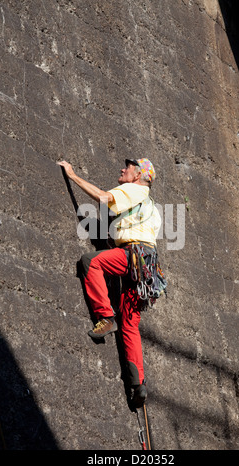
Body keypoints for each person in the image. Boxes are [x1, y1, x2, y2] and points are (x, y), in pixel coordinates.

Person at [57, 158, 162, 408]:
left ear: (138, 175)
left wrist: (72, 175)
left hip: (133, 256)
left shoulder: (134, 189)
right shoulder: (150, 205)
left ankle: (106, 316)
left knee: (91, 262)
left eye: (129, 167)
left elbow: (103, 197)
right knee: (130, 325)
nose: (123, 169)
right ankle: (138, 385)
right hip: (147, 268)